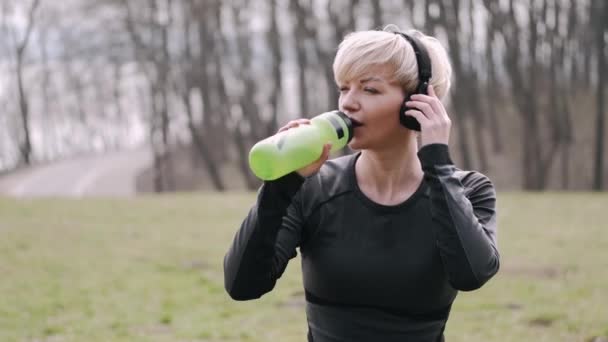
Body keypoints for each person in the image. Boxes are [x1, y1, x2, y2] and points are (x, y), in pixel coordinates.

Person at [223, 25, 499, 342]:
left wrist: (437, 159)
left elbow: (472, 273)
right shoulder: (314, 187)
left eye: (369, 90)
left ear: (419, 103)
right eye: (344, 88)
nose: (348, 104)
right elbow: (243, 285)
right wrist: (281, 184)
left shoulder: (468, 190)